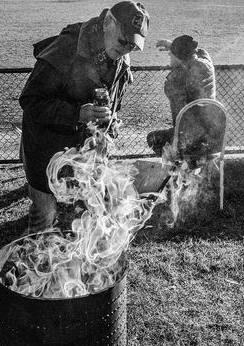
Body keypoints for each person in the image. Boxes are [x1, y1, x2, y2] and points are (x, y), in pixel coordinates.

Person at [19, 1, 149, 233]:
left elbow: (114, 105)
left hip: (87, 156)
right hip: (46, 152)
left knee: (89, 216)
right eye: (123, 41)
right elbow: (31, 101)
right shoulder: (64, 50)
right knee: (44, 216)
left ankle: (75, 264)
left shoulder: (122, 60)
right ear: (108, 23)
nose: (126, 49)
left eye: (133, 45)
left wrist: (112, 121)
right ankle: (34, 263)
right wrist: (78, 114)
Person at [146, 34, 216, 156]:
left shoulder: (175, 80)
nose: (169, 56)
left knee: (152, 138)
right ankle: (186, 165)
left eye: (171, 54)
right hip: (214, 136)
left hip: (190, 140)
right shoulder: (206, 63)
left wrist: (176, 65)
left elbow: (179, 117)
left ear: (178, 58)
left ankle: (178, 168)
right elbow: (202, 52)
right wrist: (174, 46)